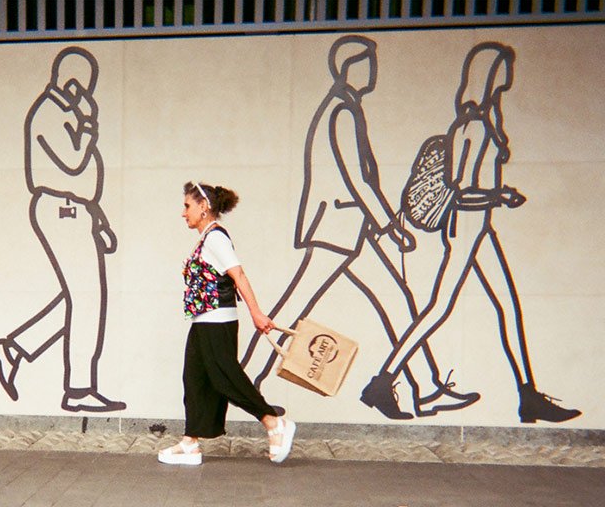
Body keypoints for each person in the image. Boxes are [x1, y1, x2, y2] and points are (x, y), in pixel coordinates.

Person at [240, 35, 476, 419]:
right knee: (292, 307)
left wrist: (382, 222)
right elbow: (356, 178)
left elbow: (365, 179)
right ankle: (244, 380)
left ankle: (425, 388)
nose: (373, 70)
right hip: (338, 227)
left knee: (398, 302)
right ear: (349, 68)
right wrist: (388, 225)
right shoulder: (341, 111)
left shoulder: (348, 108)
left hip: (353, 229)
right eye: (367, 63)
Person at [361, 43, 581, 424]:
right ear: (491, 76)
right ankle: (381, 382)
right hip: (468, 226)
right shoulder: (474, 124)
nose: (507, 77)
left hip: (480, 228)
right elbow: (461, 189)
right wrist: (501, 195)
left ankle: (528, 396)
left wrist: (495, 198)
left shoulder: (482, 120)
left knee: (507, 308)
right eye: (501, 71)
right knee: (439, 309)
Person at [0, 47, 125, 413]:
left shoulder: (63, 112)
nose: (87, 95)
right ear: (74, 82)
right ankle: (79, 388)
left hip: (75, 210)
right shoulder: (49, 113)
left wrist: (98, 218)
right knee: (87, 298)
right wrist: (89, 125)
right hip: (61, 210)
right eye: (85, 87)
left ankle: (13, 349)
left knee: (80, 298)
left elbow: (78, 177)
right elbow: (75, 161)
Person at [157, 182, 294, 466]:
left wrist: (257, 313)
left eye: (187, 206)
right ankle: (190, 443)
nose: (184, 213)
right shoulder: (206, 238)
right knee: (194, 378)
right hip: (203, 320)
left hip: (217, 321)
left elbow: (238, 275)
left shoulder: (216, 238)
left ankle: (273, 421)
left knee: (225, 377)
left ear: (203, 206)